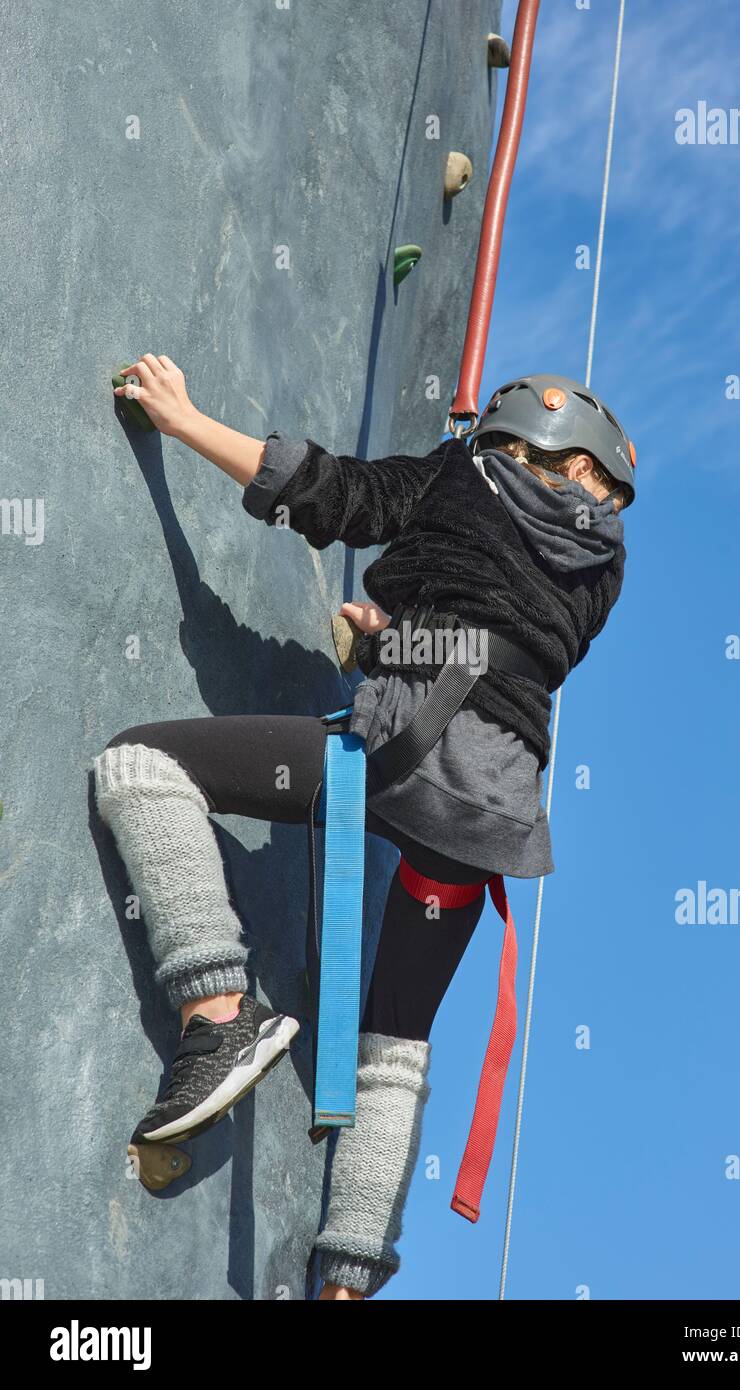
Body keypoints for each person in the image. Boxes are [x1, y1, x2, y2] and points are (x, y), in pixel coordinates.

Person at [95, 355, 634, 1299]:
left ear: (506, 441)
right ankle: (346, 1277)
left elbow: (331, 493)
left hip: (407, 757)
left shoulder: (463, 475)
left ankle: (217, 1013)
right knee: (394, 1047)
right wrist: (390, 640)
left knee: (142, 767)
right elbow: (498, 637)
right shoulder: (603, 569)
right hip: (490, 820)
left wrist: (182, 422)